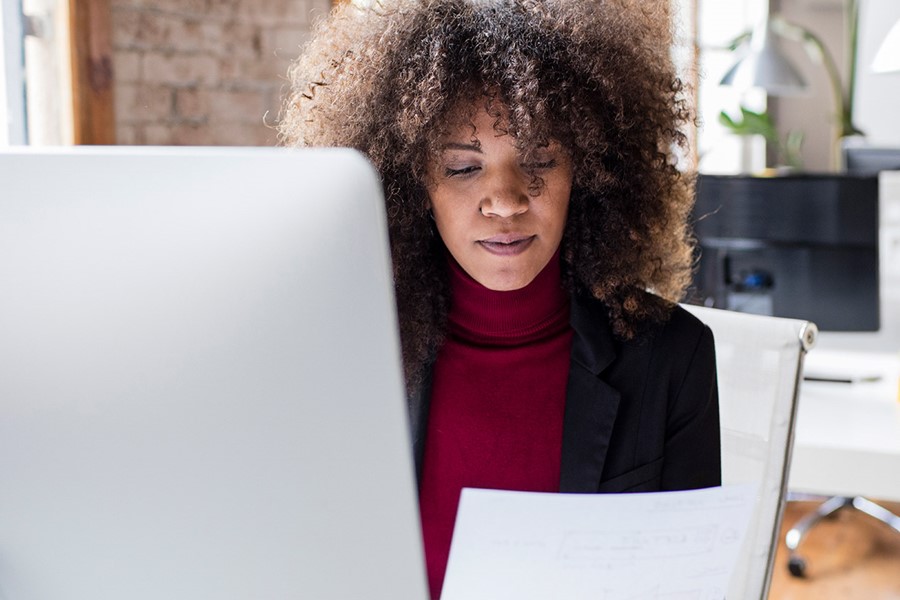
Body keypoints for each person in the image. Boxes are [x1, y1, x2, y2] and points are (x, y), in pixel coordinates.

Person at [278, 1, 721, 597]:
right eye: (463, 167)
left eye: (539, 160)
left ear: (586, 170)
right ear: (411, 183)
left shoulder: (672, 358)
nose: (506, 200)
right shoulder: (348, 357)